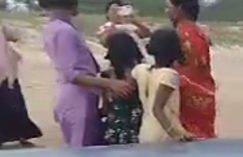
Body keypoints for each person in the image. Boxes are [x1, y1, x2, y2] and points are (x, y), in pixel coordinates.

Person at [41, 0, 133, 147]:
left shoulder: (54, 28)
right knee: (82, 149)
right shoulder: (65, 31)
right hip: (78, 96)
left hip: (75, 94)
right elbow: (72, 74)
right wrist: (110, 83)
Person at [166, 0, 217, 140]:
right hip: (204, 93)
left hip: (189, 97)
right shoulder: (198, 32)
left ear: (180, 9)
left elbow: (186, 69)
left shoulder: (182, 35)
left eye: (170, 8)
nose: (167, 11)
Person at [132, 28, 194, 143]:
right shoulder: (169, 75)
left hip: (146, 131)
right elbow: (157, 109)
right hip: (163, 134)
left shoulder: (141, 70)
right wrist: (175, 134)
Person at [0, 23, 42, 147]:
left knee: (13, 104)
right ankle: (19, 135)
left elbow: (15, 35)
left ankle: (20, 135)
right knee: (12, 104)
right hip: (7, 74)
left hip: (6, 74)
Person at [101, 32, 143, 145]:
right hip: (134, 123)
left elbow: (123, 93)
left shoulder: (109, 75)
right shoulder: (140, 70)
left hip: (118, 124)